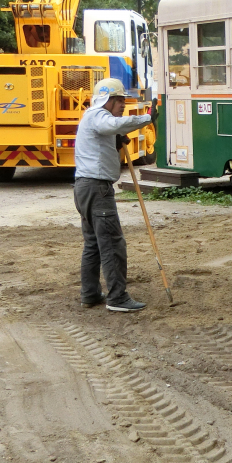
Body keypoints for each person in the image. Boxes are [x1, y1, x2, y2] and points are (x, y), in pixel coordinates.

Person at [74, 77, 152, 313]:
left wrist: (115, 142)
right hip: (96, 189)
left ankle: (90, 294)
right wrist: (147, 118)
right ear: (107, 99)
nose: (122, 105)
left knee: (94, 245)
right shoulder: (98, 116)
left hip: (86, 187)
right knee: (112, 244)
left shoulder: (96, 118)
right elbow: (110, 125)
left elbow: (108, 132)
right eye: (119, 100)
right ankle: (117, 298)